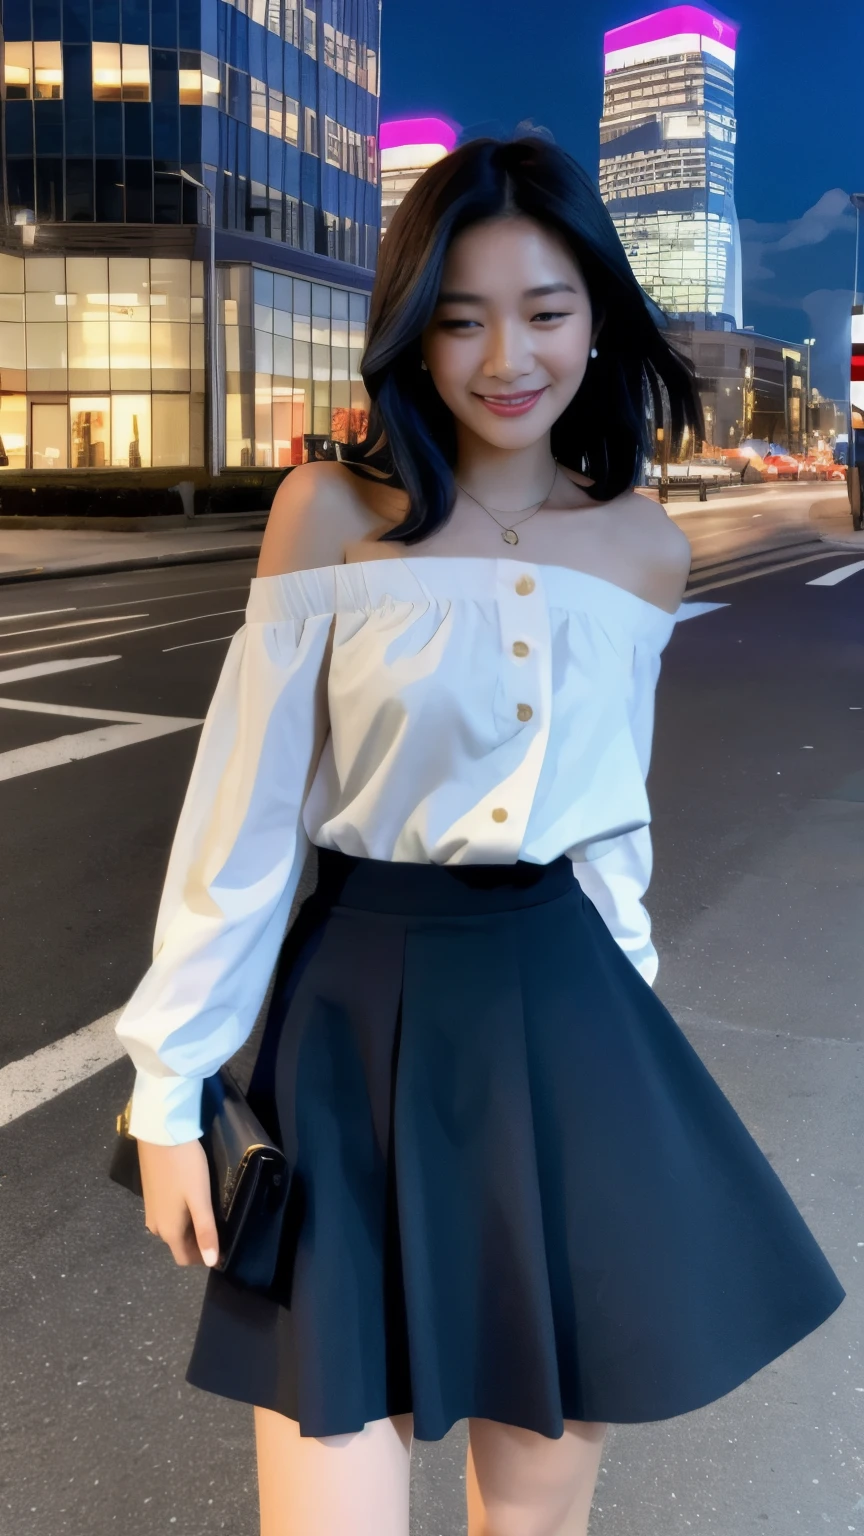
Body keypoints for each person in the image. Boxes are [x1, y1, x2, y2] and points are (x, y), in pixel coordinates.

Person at [113, 136, 844, 1536]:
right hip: (351, 1017)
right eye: (459, 318)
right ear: (411, 331)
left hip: (569, 1030)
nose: (506, 354)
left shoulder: (643, 545)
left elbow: (614, 839)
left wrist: (630, 1068)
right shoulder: (333, 516)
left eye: (547, 311)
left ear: (600, 320)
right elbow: (243, 829)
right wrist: (168, 1094)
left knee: (539, 1506)